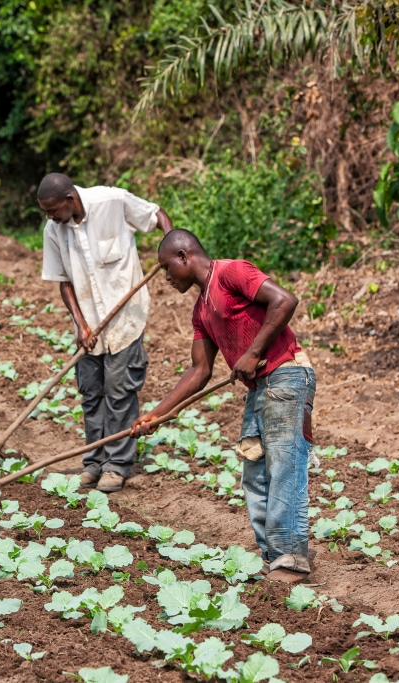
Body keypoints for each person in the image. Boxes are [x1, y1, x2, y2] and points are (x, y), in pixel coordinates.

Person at [130, 229, 316, 583]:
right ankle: (276, 555)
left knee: (284, 467)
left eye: (168, 269)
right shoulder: (201, 311)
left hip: (287, 376)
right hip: (260, 388)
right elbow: (199, 371)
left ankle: (291, 558)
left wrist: (254, 352)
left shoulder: (232, 272)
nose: (166, 278)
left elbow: (285, 300)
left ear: (184, 256)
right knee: (256, 475)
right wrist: (156, 414)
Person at [38, 172, 173, 492]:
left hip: (126, 320)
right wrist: (81, 325)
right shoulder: (53, 230)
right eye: (46, 212)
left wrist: (171, 246)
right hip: (88, 328)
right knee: (91, 394)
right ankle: (93, 461)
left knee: (119, 392)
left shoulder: (111, 201)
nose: (50, 217)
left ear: (70, 199)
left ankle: (117, 464)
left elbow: (157, 215)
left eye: (53, 210)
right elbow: (64, 282)